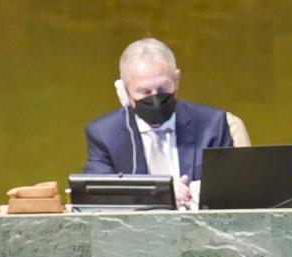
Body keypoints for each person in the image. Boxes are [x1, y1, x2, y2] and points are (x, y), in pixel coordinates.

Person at [83, 38, 235, 208]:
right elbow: (97, 195)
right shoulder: (104, 134)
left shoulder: (212, 124)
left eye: (163, 89)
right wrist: (158, 193)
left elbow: (237, 183)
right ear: (125, 91)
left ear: (176, 80)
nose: (155, 99)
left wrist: (211, 190)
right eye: (145, 92)